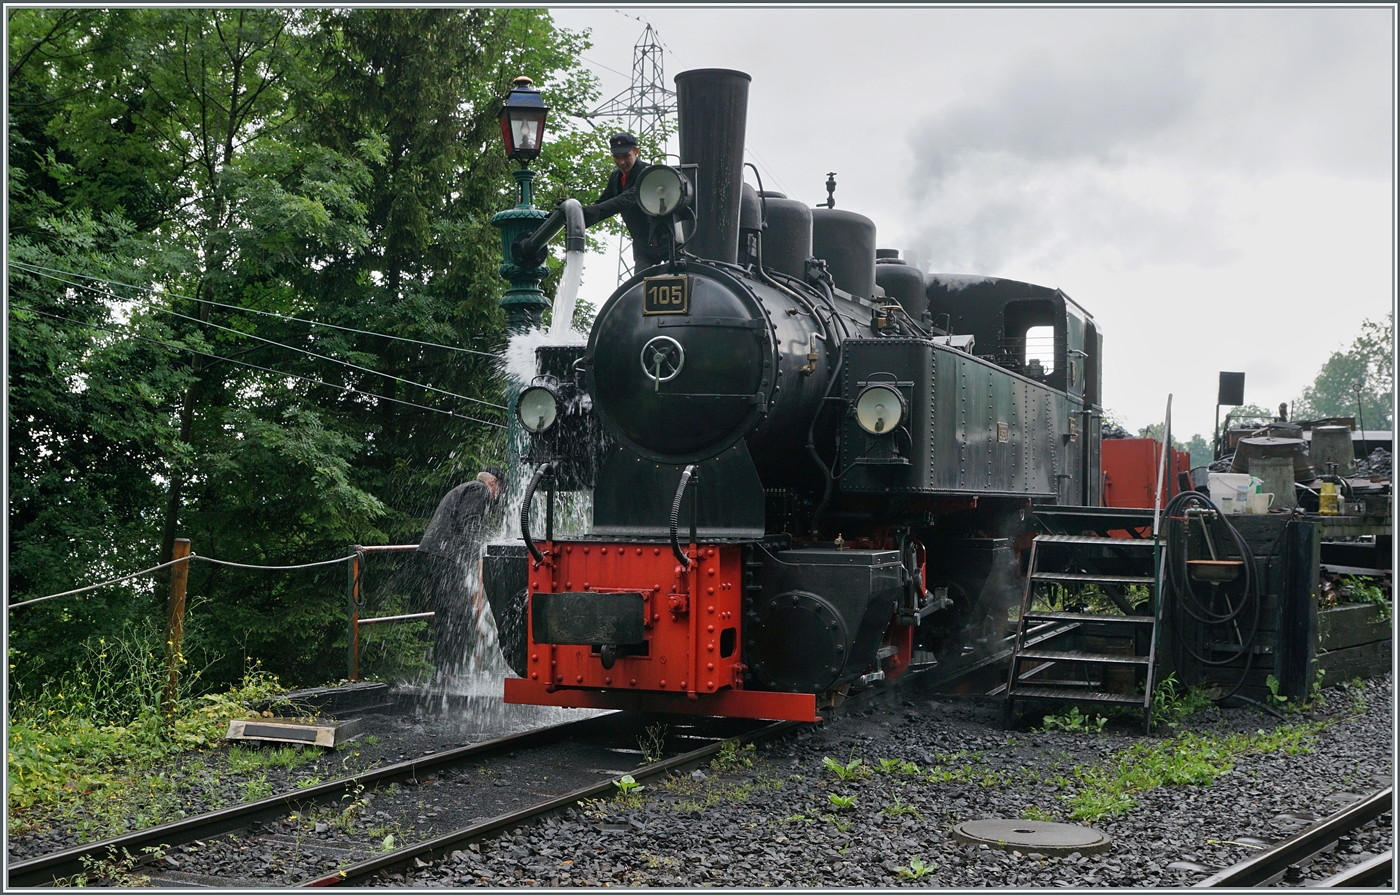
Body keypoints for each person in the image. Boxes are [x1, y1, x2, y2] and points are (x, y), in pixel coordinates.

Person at [418, 467, 505, 674]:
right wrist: (480, 555)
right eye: (499, 489)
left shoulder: (464, 489)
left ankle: (443, 671)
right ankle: (451, 671)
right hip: (446, 555)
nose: (497, 497)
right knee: (458, 615)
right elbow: (470, 524)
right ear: (493, 482)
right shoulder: (479, 490)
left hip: (436, 553)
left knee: (447, 613)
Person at [582, 132, 665, 270]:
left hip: (666, 243)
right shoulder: (615, 177)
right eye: (616, 157)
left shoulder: (648, 173)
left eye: (626, 156)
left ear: (636, 151)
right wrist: (575, 216)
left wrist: (589, 211)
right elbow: (601, 205)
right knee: (640, 286)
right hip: (642, 246)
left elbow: (627, 199)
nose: (621, 162)